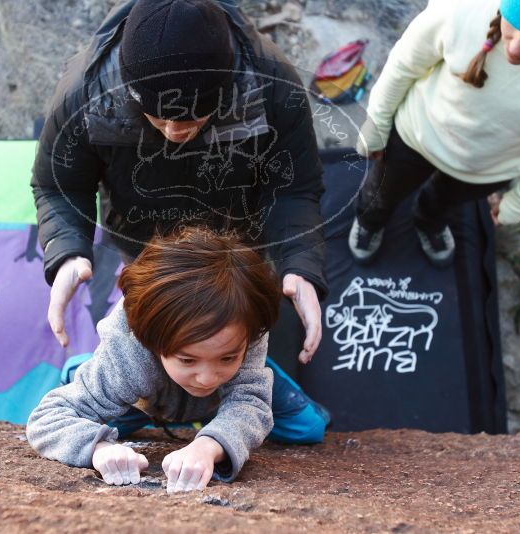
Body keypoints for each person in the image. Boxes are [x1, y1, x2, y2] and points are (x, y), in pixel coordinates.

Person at [31, 0, 327, 363]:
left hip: (237, 242)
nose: (174, 132)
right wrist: (68, 252)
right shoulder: (83, 92)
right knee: (165, 338)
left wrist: (299, 264)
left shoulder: (273, 84)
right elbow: (59, 185)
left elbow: (293, 187)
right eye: (157, 117)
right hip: (145, 239)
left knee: (230, 341)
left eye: (192, 118)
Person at [26, 227, 329, 492]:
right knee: (101, 418)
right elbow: (46, 420)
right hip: (145, 398)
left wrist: (209, 445)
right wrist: (98, 448)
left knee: (308, 428)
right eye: (188, 359)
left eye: (227, 356)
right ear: (152, 343)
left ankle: (214, 385)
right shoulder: (128, 358)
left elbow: (250, 406)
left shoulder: (245, 317)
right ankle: (82, 369)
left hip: (231, 390)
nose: (207, 377)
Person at [349, 0, 520, 266]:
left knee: (442, 203)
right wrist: (377, 123)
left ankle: (429, 221)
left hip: (489, 169)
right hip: (416, 136)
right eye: (515, 22)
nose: (516, 46)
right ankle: (369, 222)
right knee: (381, 193)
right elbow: (404, 65)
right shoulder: (460, 8)